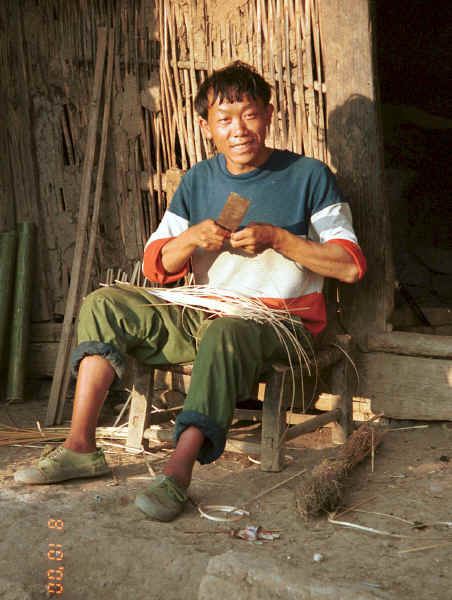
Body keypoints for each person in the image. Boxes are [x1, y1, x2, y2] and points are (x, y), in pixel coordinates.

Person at [14, 61, 366, 521]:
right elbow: (156, 265)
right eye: (224, 120)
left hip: (282, 321)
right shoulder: (199, 180)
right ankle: (80, 446)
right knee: (104, 305)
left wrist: (279, 239)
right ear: (206, 128)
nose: (239, 129)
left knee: (227, 332)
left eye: (249, 114)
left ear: (270, 114)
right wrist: (191, 239)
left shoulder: (308, 176)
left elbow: (350, 266)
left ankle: (178, 473)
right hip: (203, 310)